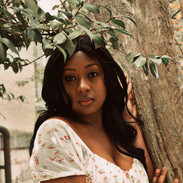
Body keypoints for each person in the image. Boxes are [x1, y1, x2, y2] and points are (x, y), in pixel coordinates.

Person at [29, 35, 179, 183]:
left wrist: (130, 121)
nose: (83, 87)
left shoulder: (119, 131)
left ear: (106, 78)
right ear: (59, 86)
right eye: (70, 78)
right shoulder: (56, 132)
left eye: (92, 74)